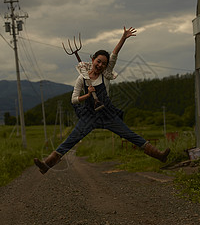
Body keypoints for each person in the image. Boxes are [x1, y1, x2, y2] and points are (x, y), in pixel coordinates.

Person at [34, 26, 170, 174]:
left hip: (108, 114)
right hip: (89, 115)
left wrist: (123, 38)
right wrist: (87, 95)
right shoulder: (82, 78)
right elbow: (74, 100)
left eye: (103, 63)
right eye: (98, 61)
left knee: (130, 135)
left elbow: (114, 54)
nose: (100, 65)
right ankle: (46, 165)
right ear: (92, 60)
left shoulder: (106, 75)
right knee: (71, 140)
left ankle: (159, 155)